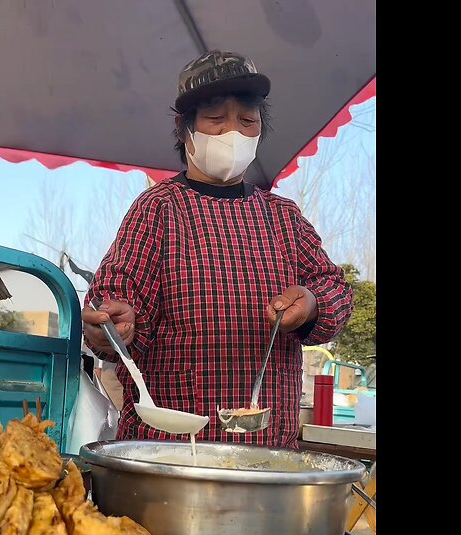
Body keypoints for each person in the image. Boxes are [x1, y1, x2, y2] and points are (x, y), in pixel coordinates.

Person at [82, 50, 353, 449]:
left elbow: (334, 289)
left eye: (248, 121)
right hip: (169, 453)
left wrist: (312, 303)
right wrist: (113, 324)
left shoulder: (283, 217)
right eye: (215, 119)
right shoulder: (159, 208)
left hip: (268, 454)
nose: (233, 133)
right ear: (184, 128)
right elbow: (117, 300)